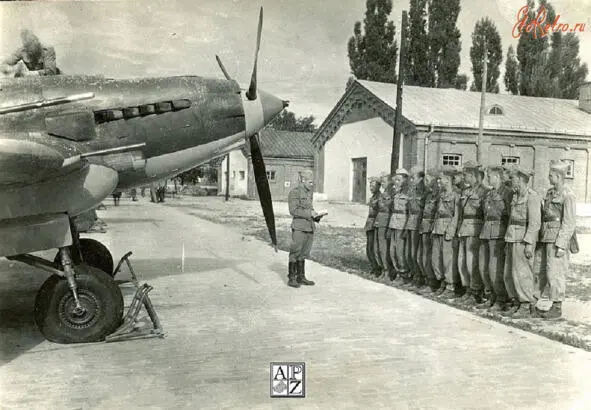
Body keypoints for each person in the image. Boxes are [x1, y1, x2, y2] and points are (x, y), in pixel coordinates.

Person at [535, 160, 577, 319]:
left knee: (556, 272)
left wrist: (561, 244)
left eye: (551, 175)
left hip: (557, 239)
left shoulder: (568, 195)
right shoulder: (550, 193)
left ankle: (557, 306)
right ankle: (534, 301)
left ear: (559, 176)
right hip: (546, 236)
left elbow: (569, 222)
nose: (548, 177)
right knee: (543, 270)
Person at [502, 167, 541, 319]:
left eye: (512, 179)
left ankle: (526, 304)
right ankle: (516, 301)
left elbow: (534, 223)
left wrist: (529, 243)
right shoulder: (515, 196)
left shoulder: (532, 197)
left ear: (520, 180)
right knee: (509, 272)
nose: (511, 181)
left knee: (523, 273)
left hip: (523, 239)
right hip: (511, 237)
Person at [477, 166, 513, 312]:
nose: (488, 179)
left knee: (495, 268)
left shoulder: (507, 193)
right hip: (486, 232)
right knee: (484, 266)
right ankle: (490, 296)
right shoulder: (490, 193)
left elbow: (511, 216)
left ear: (498, 177)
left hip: (499, 233)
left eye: (490, 176)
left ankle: (500, 299)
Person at [455, 162, 488, 305]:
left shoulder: (484, 191)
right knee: (462, 261)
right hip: (464, 228)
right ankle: (467, 288)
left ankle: (476, 291)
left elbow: (486, 213)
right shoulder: (465, 192)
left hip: (475, 228)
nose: (464, 177)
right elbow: (461, 213)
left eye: (467, 174)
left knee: (472, 262)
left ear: (475, 176)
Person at [287, 170, 323, 288]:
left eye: (312, 182)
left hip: (309, 227)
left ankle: (301, 277)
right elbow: (294, 211)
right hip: (299, 227)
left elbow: (309, 209)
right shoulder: (294, 193)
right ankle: (291, 278)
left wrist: (316, 216)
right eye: (310, 182)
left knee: (304, 253)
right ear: (303, 180)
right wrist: (309, 213)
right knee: (295, 252)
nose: (312, 184)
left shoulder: (309, 193)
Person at [432, 167, 460, 299]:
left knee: (448, 260)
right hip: (438, 228)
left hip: (448, 229)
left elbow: (456, 215)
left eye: (441, 178)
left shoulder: (456, 195)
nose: (439, 181)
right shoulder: (441, 195)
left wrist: (451, 230)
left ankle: (450, 286)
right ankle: (442, 282)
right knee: (437, 258)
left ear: (448, 180)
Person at [417, 167, 441, 293]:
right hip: (424, 227)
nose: (426, 182)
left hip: (432, 228)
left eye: (429, 179)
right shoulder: (428, 194)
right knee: (422, 256)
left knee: (430, 257)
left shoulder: (439, 195)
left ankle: (432, 282)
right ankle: (427, 280)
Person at [404, 166, 426, 290]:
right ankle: (414, 274)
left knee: (417, 252)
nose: (411, 180)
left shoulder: (424, 190)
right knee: (410, 251)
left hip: (419, 222)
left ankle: (419, 277)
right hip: (411, 222)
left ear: (420, 177)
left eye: (414, 177)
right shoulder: (411, 190)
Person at [388, 169, 410, 284]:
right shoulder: (396, 193)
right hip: (394, 224)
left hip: (402, 225)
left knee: (400, 251)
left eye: (399, 180)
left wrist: (406, 227)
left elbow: (410, 211)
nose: (396, 182)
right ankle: (397, 272)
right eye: (395, 179)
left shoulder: (408, 194)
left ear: (405, 180)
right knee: (393, 250)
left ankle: (404, 274)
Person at [374, 174, 394, 280]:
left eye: (384, 181)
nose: (382, 184)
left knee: (383, 248)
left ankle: (387, 270)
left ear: (390, 182)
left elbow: (392, 211)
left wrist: (389, 227)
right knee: (376, 248)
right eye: (381, 182)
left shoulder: (392, 194)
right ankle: (382, 268)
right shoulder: (381, 195)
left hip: (385, 223)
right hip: (378, 222)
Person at [365, 177, 382, 276]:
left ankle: (377, 268)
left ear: (378, 186)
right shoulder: (373, 197)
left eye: (373, 186)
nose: (371, 188)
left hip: (375, 224)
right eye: (370, 186)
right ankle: (373, 267)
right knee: (369, 248)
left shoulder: (380, 197)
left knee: (373, 248)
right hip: (369, 224)